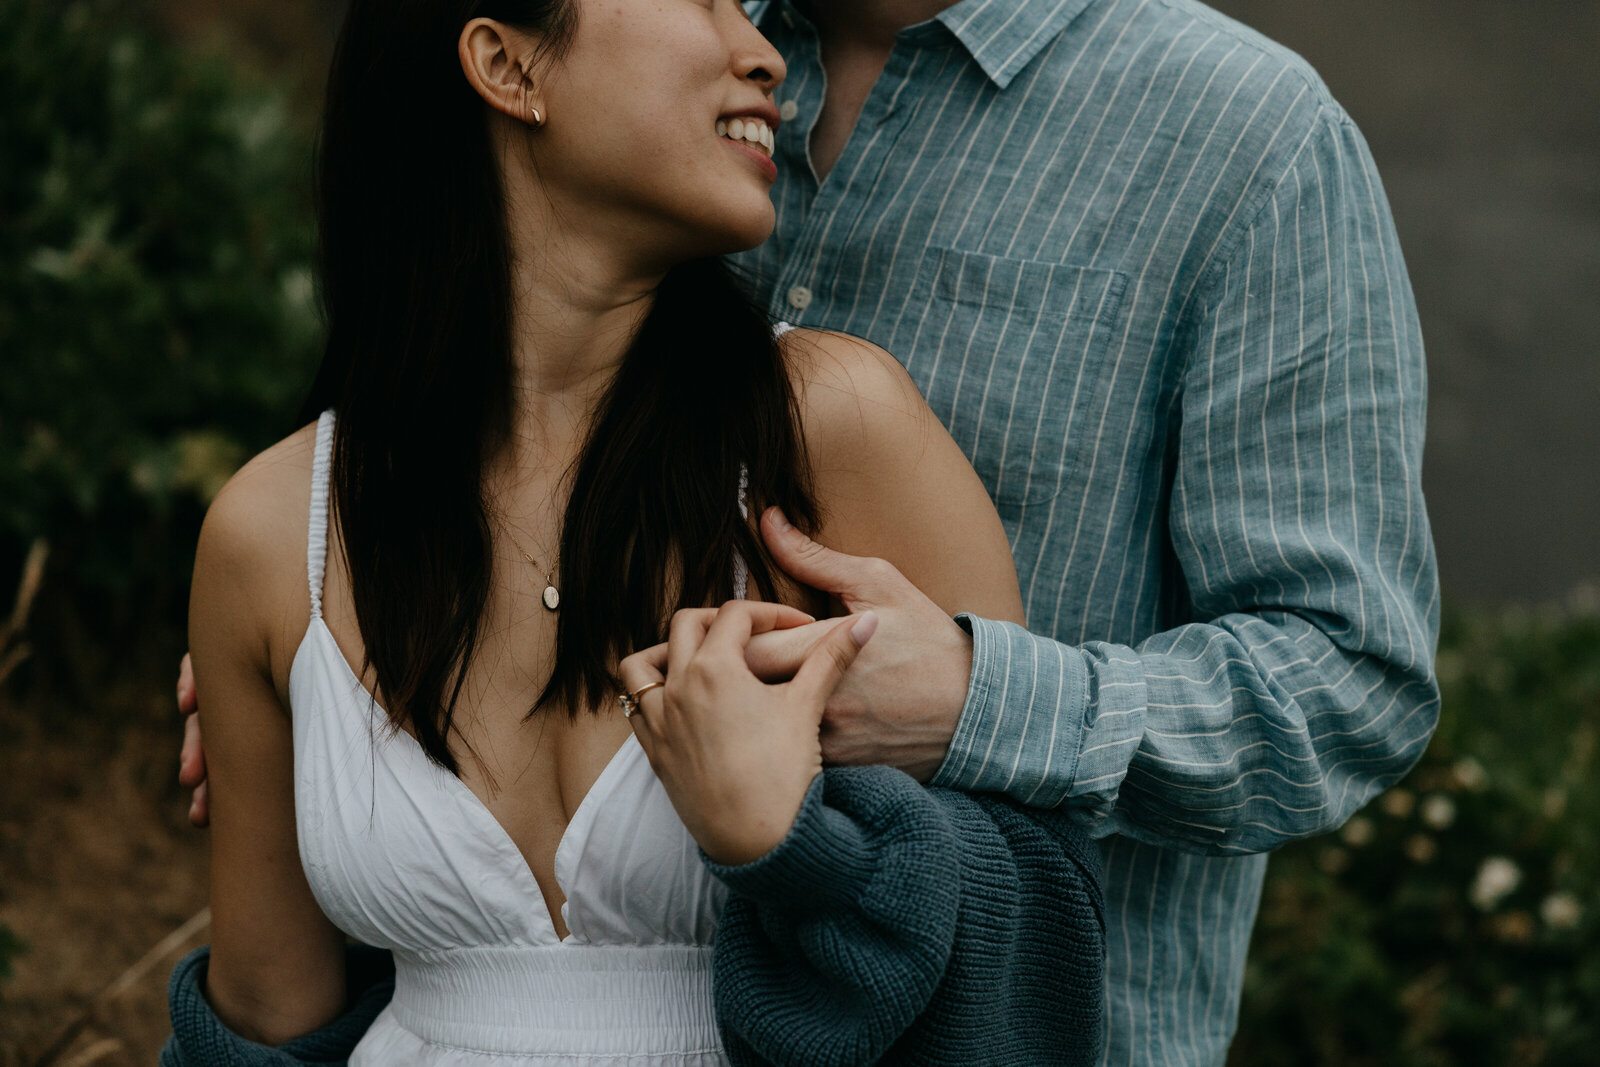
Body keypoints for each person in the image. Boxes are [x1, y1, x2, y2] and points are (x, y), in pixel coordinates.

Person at [180, 0, 1441, 1062]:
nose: (756, 59)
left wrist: (978, 698)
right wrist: (310, 711)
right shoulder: (287, 515)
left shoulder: (1242, 133)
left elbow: (1354, 677)